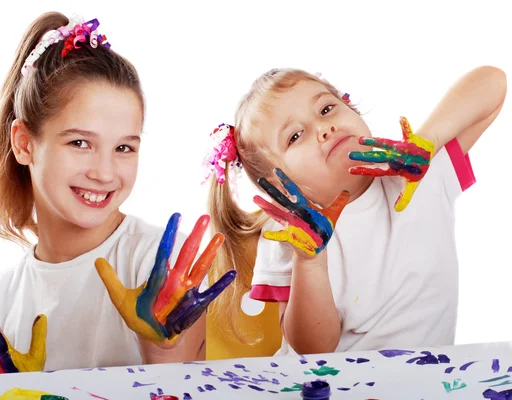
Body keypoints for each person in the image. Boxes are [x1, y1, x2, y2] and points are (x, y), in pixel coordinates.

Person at [0, 12, 233, 384]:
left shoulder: (159, 269)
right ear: (24, 143)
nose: (104, 172)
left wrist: (162, 350)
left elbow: (182, 389)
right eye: (80, 143)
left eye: (123, 147)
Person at [205, 66, 506, 356]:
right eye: (295, 136)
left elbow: (493, 82)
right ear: (280, 187)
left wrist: (429, 142)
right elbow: (313, 349)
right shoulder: (292, 233)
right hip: (331, 385)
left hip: (425, 379)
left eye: (325, 109)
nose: (324, 128)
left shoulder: (417, 175)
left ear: (352, 109)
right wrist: (310, 262)